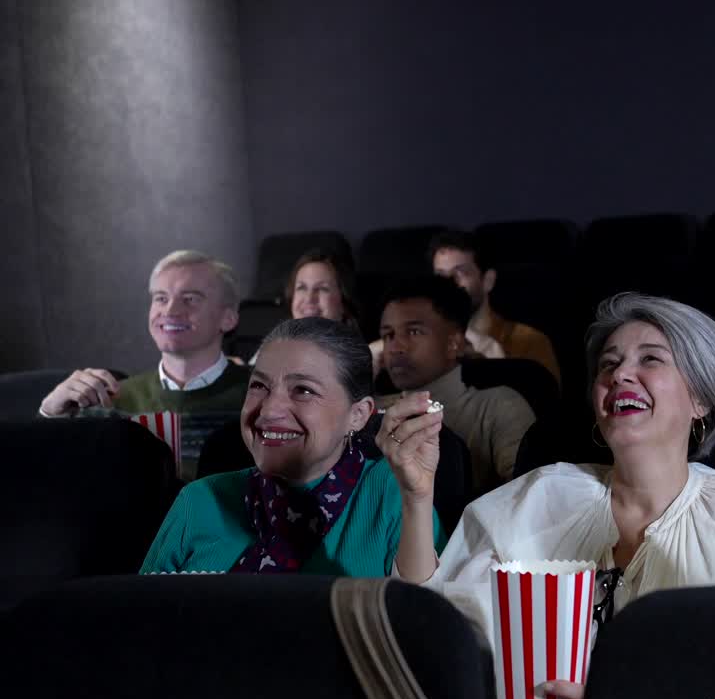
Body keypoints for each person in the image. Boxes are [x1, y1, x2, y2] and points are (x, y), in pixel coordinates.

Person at [391, 293, 715, 699]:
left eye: (651, 360)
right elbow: (435, 628)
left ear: (702, 400)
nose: (621, 374)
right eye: (609, 364)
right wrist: (416, 499)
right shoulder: (538, 496)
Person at [140, 317, 444, 574]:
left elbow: (427, 622)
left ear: (358, 415)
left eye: (303, 390)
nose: (269, 410)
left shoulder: (393, 493)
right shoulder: (199, 501)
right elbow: (137, 630)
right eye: (259, 386)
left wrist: (416, 500)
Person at [39, 250, 249, 418]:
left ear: (228, 319)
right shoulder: (110, 400)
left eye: (190, 299)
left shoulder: (266, 397)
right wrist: (50, 412)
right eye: (161, 298)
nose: (170, 311)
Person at [378, 276, 536, 493]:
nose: (395, 347)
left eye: (414, 332)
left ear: (454, 343)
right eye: (388, 335)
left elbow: (530, 492)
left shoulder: (497, 406)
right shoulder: (375, 411)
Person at [430, 230, 562, 384]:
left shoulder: (530, 342)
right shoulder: (426, 344)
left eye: (461, 273)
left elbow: (546, 405)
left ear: (488, 280)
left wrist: (497, 366)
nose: (448, 283)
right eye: (440, 276)